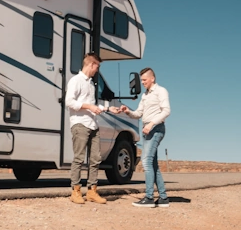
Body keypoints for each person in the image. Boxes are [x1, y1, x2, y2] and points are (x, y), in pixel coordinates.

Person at [117, 67, 171, 208]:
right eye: (141, 80)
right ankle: (163, 198)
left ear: (152, 79)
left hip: (156, 128)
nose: (142, 83)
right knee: (153, 165)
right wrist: (128, 111)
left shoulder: (161, 91)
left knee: (146, 161)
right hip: (147, 130)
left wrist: (152, 124)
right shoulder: (145, 95)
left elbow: (167, 111)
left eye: (144, 80)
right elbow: (138, 113)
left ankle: (149, 197)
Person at [65, 52, 107, 204]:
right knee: (79, 158)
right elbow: (69, 101)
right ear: (91, 65)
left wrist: (107, 109)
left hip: (93, 124)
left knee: (95, 158)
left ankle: (92, 191)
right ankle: (75, 191)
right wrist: (89, 106)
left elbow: (92, 106)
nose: (98, 70)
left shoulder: (90, 84)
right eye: (97, 66)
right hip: (80, 123)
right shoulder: (76, 81)